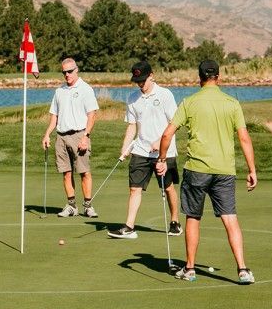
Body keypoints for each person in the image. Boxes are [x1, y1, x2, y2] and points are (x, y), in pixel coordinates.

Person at [155, 60, 258, 284]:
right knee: (230, 218)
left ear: (199, 77)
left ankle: (190, 269)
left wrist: (162, 159)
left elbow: (166, 135)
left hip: (197, 170)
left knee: (193, 217)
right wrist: (252, 170)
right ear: (218, 77)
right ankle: (242, 270)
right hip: (225, 171)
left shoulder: (189, 102)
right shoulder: (232, 103)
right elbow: (244, 138)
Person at [108, 61, 182, 239]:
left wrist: (159, 140)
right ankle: (129, 226)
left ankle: (175, 222)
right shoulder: (133, 98)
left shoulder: (165, 95)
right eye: (137, 80)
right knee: (134, 189)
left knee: (168, 187)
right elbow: (132, 126)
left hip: (164, 151)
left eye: (143, 80)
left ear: (152, 76)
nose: (140, 84)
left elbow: (175, 123)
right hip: (141, 150)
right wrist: (125, 146)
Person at [41, 57, 99, 217]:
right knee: (66, 172)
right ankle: (71, 205)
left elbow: (92, 115)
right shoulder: (59, 91)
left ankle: (88, 206)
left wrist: (86, 136)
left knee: (84, 171)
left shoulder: (86, 89)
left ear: (76, 70)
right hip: (61, 136)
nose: (67, 75)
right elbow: (54, 116)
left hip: (79, 134)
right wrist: (47, 134)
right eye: (64, 72)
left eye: (70, 71)